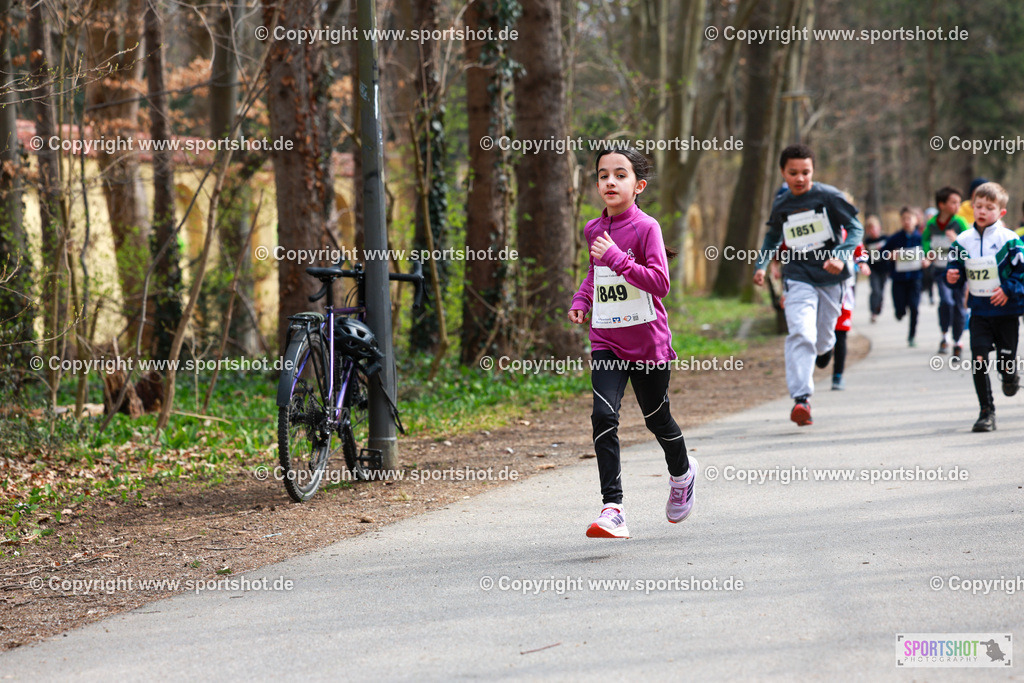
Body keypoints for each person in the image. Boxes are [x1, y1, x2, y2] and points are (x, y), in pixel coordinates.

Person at [568, 146, 696, 539]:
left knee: (657, 419)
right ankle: (613, 508)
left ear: (637, 186)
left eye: (619, 175)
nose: (610, 181)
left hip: (647, 343)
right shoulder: (593, 229)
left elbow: (660, 282)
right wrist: (581, 299)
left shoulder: (646, 228)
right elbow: (595, 275)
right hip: (606, 339)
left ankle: (682, 474)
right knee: (603, 417)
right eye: (603, 175)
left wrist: (618, 259)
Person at [753, 144, 863, 426]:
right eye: (793, 173)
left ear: (813, 171)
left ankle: (824, 351)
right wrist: (762, 266)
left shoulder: (829, 196)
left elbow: (855, 229)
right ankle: (801, 399)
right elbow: (772, 238)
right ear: (783, 173)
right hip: (797, 276)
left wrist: (840, 255)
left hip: (830, 278)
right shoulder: (782, 203)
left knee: (824, 338)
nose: (800, 178)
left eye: (805, 172)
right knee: (801, 333)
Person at [946, 182, 1024, 432]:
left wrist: (1009, 289)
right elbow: (954, 265)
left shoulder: (1010, 240)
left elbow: (1022, 272)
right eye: (978, 206)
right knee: (979, 360)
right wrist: (953, 275)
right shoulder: (963, 240)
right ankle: (986, 412)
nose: (982, 211)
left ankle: (1010, 374)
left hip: (1006, 311)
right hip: (979, 312)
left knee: (1005, 360)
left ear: (1001, 212)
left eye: (989, 207)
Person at [922, 187, 970, 357]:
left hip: (959, 272)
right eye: (954, 202)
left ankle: (958, 341)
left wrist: (957, 241)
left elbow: (969, 243)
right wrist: (929, 252)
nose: (958, 205)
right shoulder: (932, 224)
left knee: (958, 306)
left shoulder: (960, 222)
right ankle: (944, 335)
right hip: (941, 271)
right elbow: (925, 240)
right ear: (942, 205)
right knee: (946, 302)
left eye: (958, 202)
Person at [831, 242, 871, 390]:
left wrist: (862, 263)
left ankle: (838, 375)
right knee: (824, 332)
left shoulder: (849, 226)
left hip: (845, 289)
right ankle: (824, 353)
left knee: (841, 333)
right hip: (820, 288)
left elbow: (860, 250)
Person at [884, 208, 924, 347]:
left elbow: (930, 254)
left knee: (914, 307)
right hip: (899, 280)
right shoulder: (895, 238)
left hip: (915, 279)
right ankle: (899, 311)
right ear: (901, 221)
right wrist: (890, 256)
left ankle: (912, 335)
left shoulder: (921, 238)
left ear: (916, 220)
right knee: (900, 310)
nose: (907, 221)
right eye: (904, 219)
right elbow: (882, 254)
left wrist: (927, 260)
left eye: (910, 218)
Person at [863, 216, 888, 322]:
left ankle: (878, 306)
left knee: (881, 291)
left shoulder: (885, 239)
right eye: (870, 229)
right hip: (873, 269)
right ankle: (873, 312)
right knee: (875, 290)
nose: (872, 231)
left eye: (874, 228)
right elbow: (865, 255)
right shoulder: (867, 242)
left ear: (879, 228)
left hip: (884, 269)